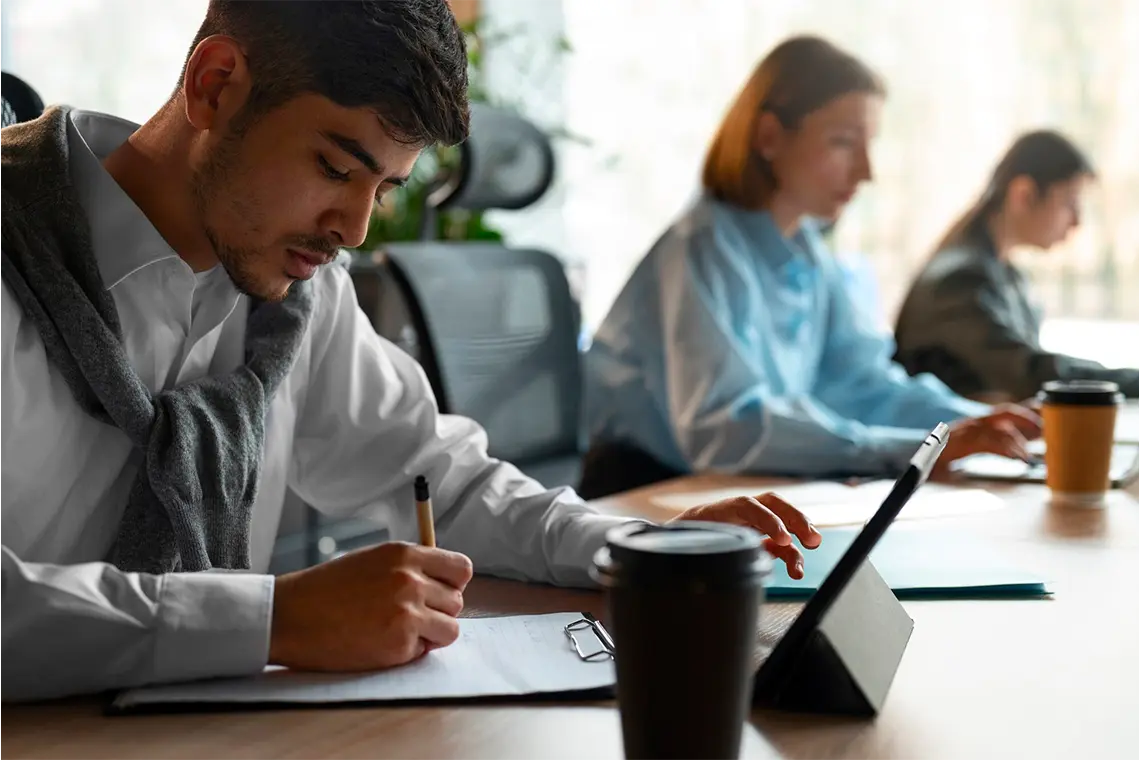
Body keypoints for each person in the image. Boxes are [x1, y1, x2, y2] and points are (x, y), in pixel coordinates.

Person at [0, 0, 822, 703]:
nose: (355, 229)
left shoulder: (297, 298)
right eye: (334, 167)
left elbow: (437, 479)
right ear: (216, 85)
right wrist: (273, 620)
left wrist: (636, 550)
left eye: (385, 188)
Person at [579, 35, 1041, 500]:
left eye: (869, 144)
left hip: (734, 484)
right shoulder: (701, 246)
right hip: (648, 490)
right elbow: (726, 430)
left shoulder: (807, 250)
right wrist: (913, 449)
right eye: (843, 143)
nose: (866, 171)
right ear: (769, 137)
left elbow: (860, 384)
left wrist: (976, 423)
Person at [893, 130, 1140, 402]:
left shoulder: (1005, 275)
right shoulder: (957, 281)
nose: (1076, 221)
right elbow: (1028, 375)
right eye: (1070, 202)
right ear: (1024, 195)